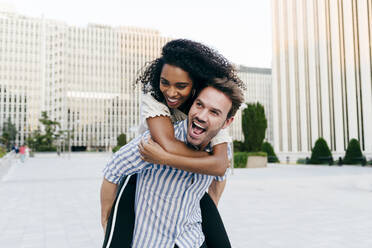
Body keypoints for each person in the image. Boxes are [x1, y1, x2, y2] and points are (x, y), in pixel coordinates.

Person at [101, 39, 244, 247]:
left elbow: (220, 167)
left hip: (187, 226)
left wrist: (194, 213)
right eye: (165, 82)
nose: (170, 92)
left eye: (181, 86)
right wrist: (106, 217)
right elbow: (165, 144)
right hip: (140, 172)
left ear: (195, 87)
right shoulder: (154, 99)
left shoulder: (212, 113)